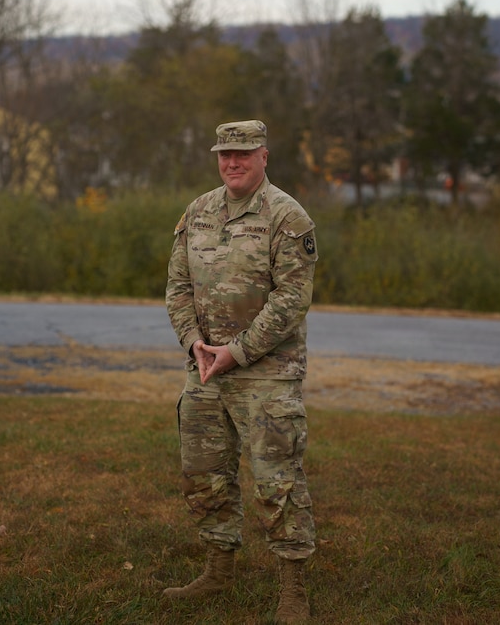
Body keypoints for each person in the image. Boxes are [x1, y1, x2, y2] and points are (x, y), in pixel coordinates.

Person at [164, 119, 318, 624]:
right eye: (225, 154)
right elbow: (177, 287)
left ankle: (293, 591)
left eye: (244, 153)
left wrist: (239, 351)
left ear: (264, 156)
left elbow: (292, 300)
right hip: (206, 369)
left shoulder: (287, 217)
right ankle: (218, 571)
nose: (233, 162)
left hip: (267, 373)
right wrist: (195, 343)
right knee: (203, 474)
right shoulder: (198, 211)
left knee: (278, 480)